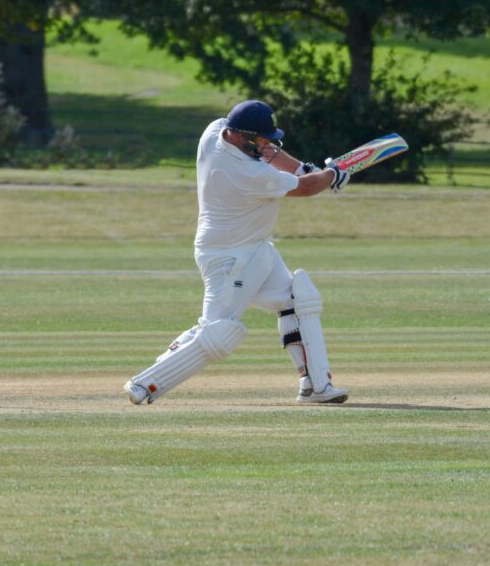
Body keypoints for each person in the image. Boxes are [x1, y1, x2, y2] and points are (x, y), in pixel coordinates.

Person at [123, 100, 351, 405]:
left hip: (254, 248)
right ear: (242, 137)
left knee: (297, 302)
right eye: (262, 139)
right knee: (219, 333)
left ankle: (315, 387)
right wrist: (331, 174)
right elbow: (307, 188)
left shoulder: (214, 132)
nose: (268, 145)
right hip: (230, 258)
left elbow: (288, 167)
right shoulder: (247, 173)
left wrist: (303, 168)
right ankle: (145, 383)